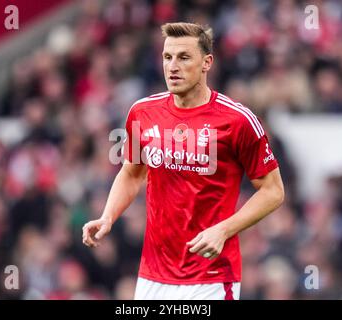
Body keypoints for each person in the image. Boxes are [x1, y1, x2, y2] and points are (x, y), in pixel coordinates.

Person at [82, 22, 284, 300]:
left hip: (211, 276)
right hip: (153, 275)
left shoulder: (237, 120)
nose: (173, 66)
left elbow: (273, 191)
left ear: (206, 62)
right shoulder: (142, 112)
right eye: (167, 57)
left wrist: (224, 230)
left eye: (184, 57)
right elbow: (131, 173)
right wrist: (108, 216)